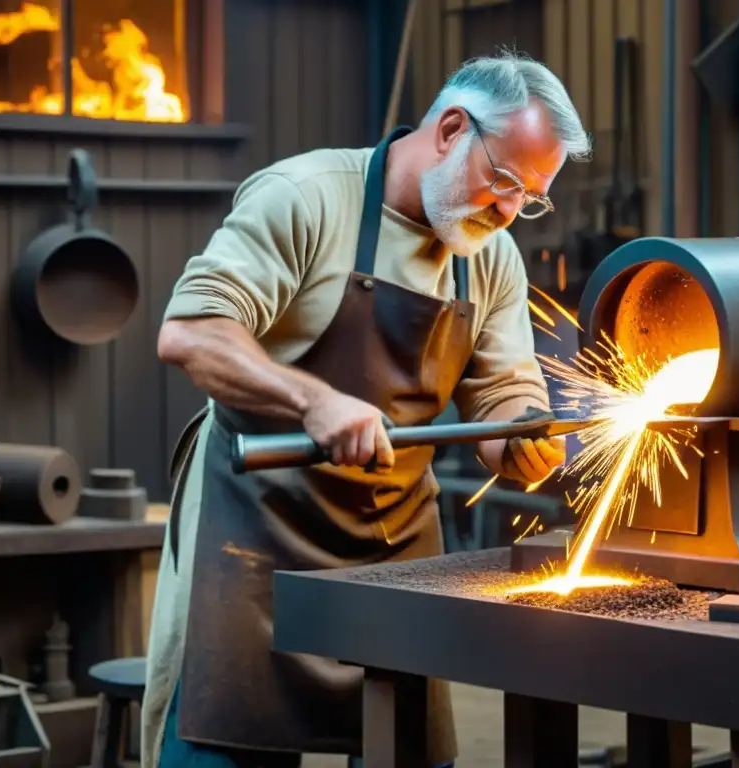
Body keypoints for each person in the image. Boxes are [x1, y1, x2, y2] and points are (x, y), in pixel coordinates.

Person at [142, 50, 592, 768]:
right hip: (252, 525)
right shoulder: (308, 195)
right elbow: (192, 331)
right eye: (503, 181)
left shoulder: (488, 252)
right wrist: (313, 400)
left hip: (392, 531)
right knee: (223, 741)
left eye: (528, 199)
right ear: (450, 129)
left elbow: (504, 392)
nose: (508, 211)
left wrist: (526, 440)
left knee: (409, 747)